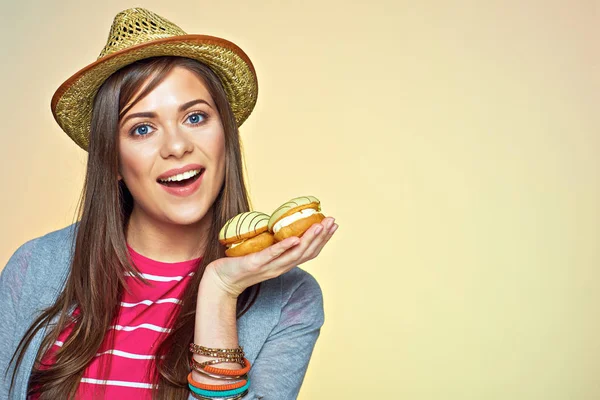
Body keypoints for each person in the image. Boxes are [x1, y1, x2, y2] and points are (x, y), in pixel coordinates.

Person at [0, 8, 337, 400]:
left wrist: (221, 289)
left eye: (195, 117)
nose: (177, 146)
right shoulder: (35, 268)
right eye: (142, 128)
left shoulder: (290, 300)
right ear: (112, 161)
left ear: (225, 138)